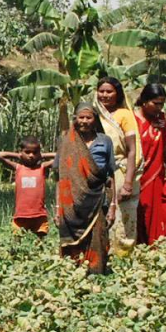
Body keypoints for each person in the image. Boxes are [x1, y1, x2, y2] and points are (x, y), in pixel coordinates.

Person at [56, 103, 116, 275]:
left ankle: (96, 274)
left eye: (88, 117)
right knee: (72, 244)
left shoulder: (105, 141)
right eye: (81, 117)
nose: (84, 121)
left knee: (99, 236)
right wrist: (58, 207)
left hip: (99, 198)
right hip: (72, 203)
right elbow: (60, 178)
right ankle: (73, 275)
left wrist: (113, 207)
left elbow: (111, 176)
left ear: (95, 119)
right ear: (75, 119)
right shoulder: (66, 141)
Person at [95, 77, 140, 256]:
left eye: (109, 91)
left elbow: (131, 150)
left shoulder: (124, 115)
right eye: (101, 91)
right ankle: (102, 253)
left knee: (123, 216)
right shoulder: (93, 114)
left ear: (117, 94)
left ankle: (123, 255)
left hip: (120, 171)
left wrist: (128, 182)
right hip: (98, 171)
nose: (104, 95)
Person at [134, 83, 166, 246]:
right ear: (144, 101)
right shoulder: (133, 120)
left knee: (165, 216)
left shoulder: (161, 120)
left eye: (162, 104)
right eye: (156, 103)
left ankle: (161, 251)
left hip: (157, 177)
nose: (159, 108)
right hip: (139, 177)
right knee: (141, 216)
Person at [0, 135, 53, 235]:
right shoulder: (18, 168)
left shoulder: (41, 168)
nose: (31, 155)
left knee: (40, 243)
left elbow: (60, 156)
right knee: (17, 241)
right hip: (20, 215)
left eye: (35, 153)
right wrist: (18, 155)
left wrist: (41, 155)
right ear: (21, 152)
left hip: (39, 215)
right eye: (27, 152)